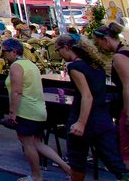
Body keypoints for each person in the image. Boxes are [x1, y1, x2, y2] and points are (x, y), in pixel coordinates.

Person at [54, 33, 128, 181]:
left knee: (77, 160)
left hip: (84, 117)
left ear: (66, 47)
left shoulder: (75, 67)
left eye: (58, 50)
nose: (59, 54)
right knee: (113, 159)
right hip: (103, 118)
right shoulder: (96, 65)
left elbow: (87, 96)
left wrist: (81, 122)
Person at [2, 38, 70, 181]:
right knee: (37, 143)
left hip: (25, 110)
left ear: (14, 52)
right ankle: (66, 168)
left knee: (28, 144)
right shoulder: (31, 65)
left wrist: (12, 114)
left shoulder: (16, 66)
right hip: (38, 109)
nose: (3, 55)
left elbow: (16, 91)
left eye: (5, 52)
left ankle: (36, 176)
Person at [93, 22, 129, 170]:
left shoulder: (119, 57)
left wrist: (127, 113)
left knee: (126, 151)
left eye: (98, 43)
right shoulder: (126, 51)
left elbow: (127, 85)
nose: (100, 47)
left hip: (126, 105)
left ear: (105, 40)